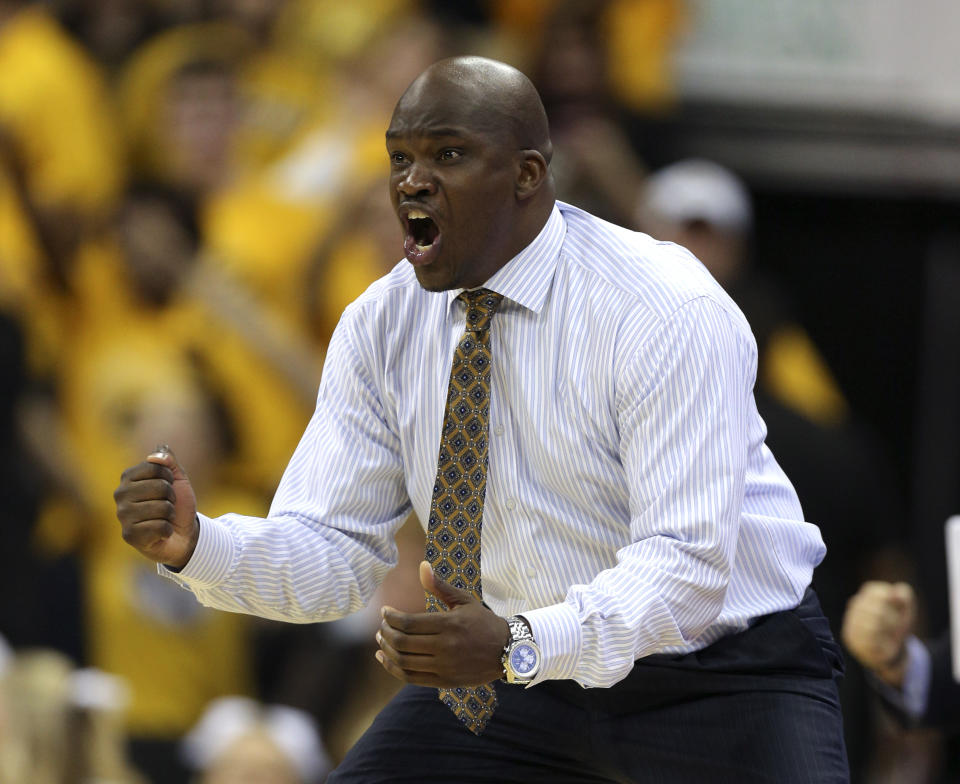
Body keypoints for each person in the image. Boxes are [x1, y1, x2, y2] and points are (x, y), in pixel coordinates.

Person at [114, 56, 848, 782]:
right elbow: (335, 553)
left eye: (448, 155)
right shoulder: (381, 324)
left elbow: (685, 569)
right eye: (399, 157)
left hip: (721, 673)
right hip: (516, 671)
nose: (412, 181)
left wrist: (518, 645)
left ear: (528, 175)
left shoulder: (661, 307)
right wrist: (195, 546)